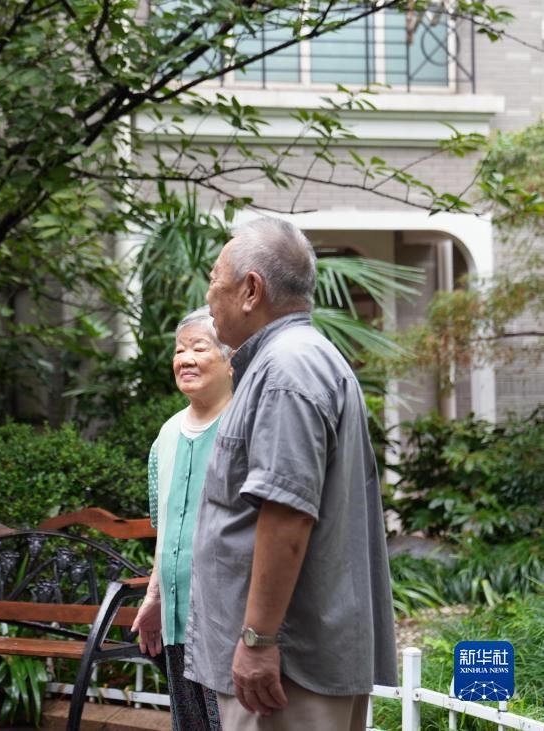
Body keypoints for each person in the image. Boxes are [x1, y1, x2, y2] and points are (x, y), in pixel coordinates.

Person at [182, 217, 397, 731]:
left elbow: (286, 516)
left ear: (251, 290)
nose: (208, 297)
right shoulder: (292, 361)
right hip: (291, 666)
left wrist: (258, 640)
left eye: (215, 280)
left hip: (285, 673)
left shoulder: (286, 371)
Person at [131, 307, 232, 731]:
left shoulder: (244, 425)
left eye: (199, 348)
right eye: (179, 350)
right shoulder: (167, 434)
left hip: (229, 620)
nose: (185, 359)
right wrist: (155, 597)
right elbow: (166, 529)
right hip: (177, 616)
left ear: (230, 358)